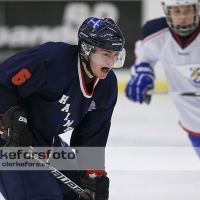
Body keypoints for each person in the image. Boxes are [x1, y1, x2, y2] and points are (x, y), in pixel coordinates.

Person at [0, 17, 125, 200]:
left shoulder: (107, 86)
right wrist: (10, 119)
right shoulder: (52, 59)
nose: (111, 62)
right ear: (85, 49)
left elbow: (92, 136)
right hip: (8, 139)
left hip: (44, 140)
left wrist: (94, 179)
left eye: (115, 55)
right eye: (105, 54)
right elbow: (3, 83)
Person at [125, 0, 200, 156]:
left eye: (188, 10)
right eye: (177, 11)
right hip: (193, 121)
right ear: (168, 12)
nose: (183, 17)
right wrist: (142, 73)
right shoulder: (155, 33)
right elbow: (144, 55)